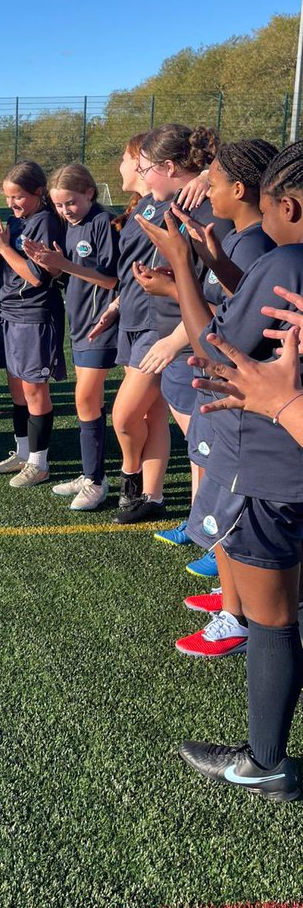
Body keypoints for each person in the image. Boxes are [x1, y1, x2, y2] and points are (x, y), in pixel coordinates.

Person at [138, 142, 303, 801]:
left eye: (268, 207)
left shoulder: (288, 255)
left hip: (267, 466)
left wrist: (181, 266)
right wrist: (211, 264)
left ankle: (265, 763)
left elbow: (216, 350)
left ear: (286, 206)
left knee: (271, 625)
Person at [153, 140, 278, 630]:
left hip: (241, 404)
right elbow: (233, 300)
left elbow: (218, 339)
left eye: (215, 180)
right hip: (224, 396)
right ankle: (232, 595)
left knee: (238, 513)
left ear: (241, 189)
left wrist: (181, 269)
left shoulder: (259, 246)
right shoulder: (240, 242)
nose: (207, 188)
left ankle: (240, 615)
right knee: (225, 510)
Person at [105, 124, 221, 525]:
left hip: (188, 340)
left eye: (142, 165)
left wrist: (175, 339)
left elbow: (221, 296)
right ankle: (196, 522)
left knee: (207, 443)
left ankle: (213, 530)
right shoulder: (173, 204)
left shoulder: (206, 210)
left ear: (167, 166)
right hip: (167, 329)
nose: (136, 171)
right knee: (195, 443)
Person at [23, 162, 119, 511]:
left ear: (90, 193)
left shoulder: (102, 224)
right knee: (88, 402)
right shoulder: (71, 227)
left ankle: (95, 481)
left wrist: (64, 265)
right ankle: (91, 473)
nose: (65, 211)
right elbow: (74, 277)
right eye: (60, 205)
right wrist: (54, 265)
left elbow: (110, 280)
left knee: (86, 401)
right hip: (79, 324)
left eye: (71, 203)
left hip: (101, 326)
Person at [0, 161, 65, 487]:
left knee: (33, 390)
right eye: (7, 198)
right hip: (10, 313)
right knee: (16, 388)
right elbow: (4, 269)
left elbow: (34, 277)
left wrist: (4, 247)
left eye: (17, 197)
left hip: (34, 316)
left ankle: (39, 462)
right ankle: (21, 452)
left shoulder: (44, 222)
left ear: (39, 192)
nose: (11, 204)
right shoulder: (19, 222)